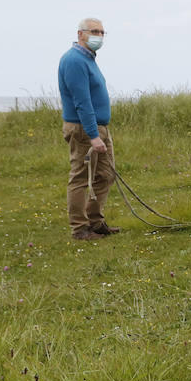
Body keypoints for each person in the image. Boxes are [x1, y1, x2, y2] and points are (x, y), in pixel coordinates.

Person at [58, 17, 118, 241]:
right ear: (80, 34)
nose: (99, 36)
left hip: (97, 128)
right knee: (81, 177)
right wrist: (93, 135)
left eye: (102, 32)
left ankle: (95, 221)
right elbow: (82, 102)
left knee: (105, 174)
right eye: (94, 31)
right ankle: (80, 228)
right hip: (85, 129)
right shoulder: (74, 61)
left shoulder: (88, 59)